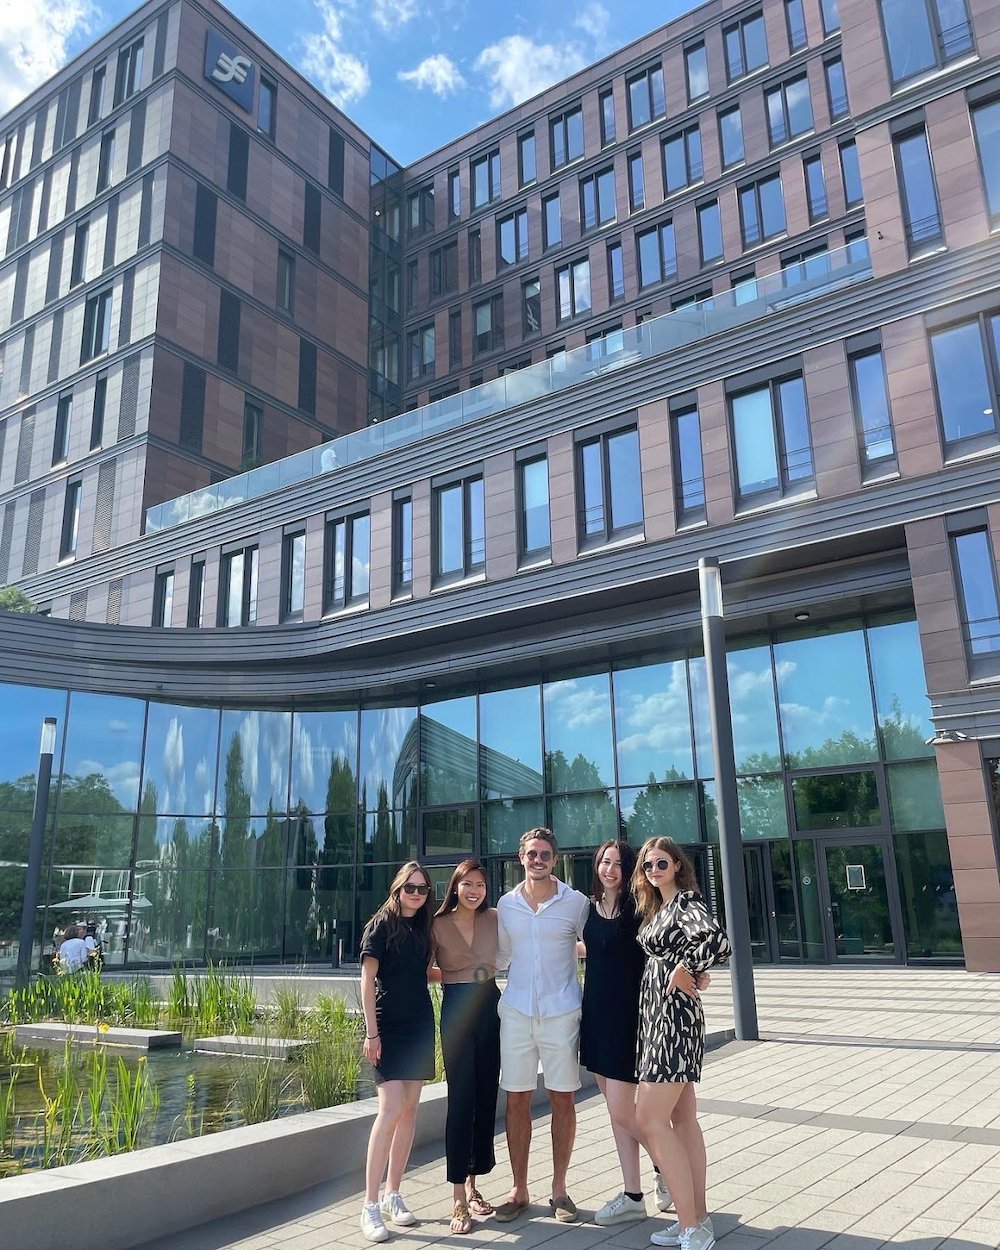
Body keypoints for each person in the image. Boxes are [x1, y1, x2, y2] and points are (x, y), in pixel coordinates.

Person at [633, 838, 731, 1250]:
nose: (653, 869)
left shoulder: (686, 902)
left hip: (673, 1020)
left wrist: (687, 968)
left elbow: (718, 942)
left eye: (660, 863)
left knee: (648, 1119)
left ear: (676, 865)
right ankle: (698, 1220)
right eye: (647, 864)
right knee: (682, 1120)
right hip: (662, 1017)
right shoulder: (662, 907)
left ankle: (691, 1226)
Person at [494, 827, 589, 1225]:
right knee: (516, 1100)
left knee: (562, 1099)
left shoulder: (577, 904)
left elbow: (598, 947)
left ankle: (560, 1190)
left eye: (545, 854)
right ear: (521, 857)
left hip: (561, 1012)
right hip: (515, 1012)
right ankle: (518, 1189)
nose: (538, 860)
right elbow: (498, 958)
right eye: (531, 853)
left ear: (555, 859)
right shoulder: (505, 904)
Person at [359, 862, 436, 1244]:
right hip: (388, 1028)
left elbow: (421, 973)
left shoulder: (422, 927)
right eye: (411, 888)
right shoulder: (381, 925)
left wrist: (472, 972)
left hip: (421, 1024)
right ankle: (370, 1204)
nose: (417, 895)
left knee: (409, 1111)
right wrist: (371, 1033)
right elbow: (367, 980)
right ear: (398, 889)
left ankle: (393, 1194)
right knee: (389, 1110)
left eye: (422, 889)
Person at [431, 859, 501, 1235]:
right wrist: (459, 976)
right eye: (468, 884)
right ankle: (457, 1196)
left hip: (490, 1004)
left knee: (486, 1097)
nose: (474, 891)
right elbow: (424, 968)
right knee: (460, 1100)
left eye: (480, 885)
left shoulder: (494, 918)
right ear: (455, 886)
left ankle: (474, 1185)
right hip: (457, 1007)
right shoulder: (438, 925)